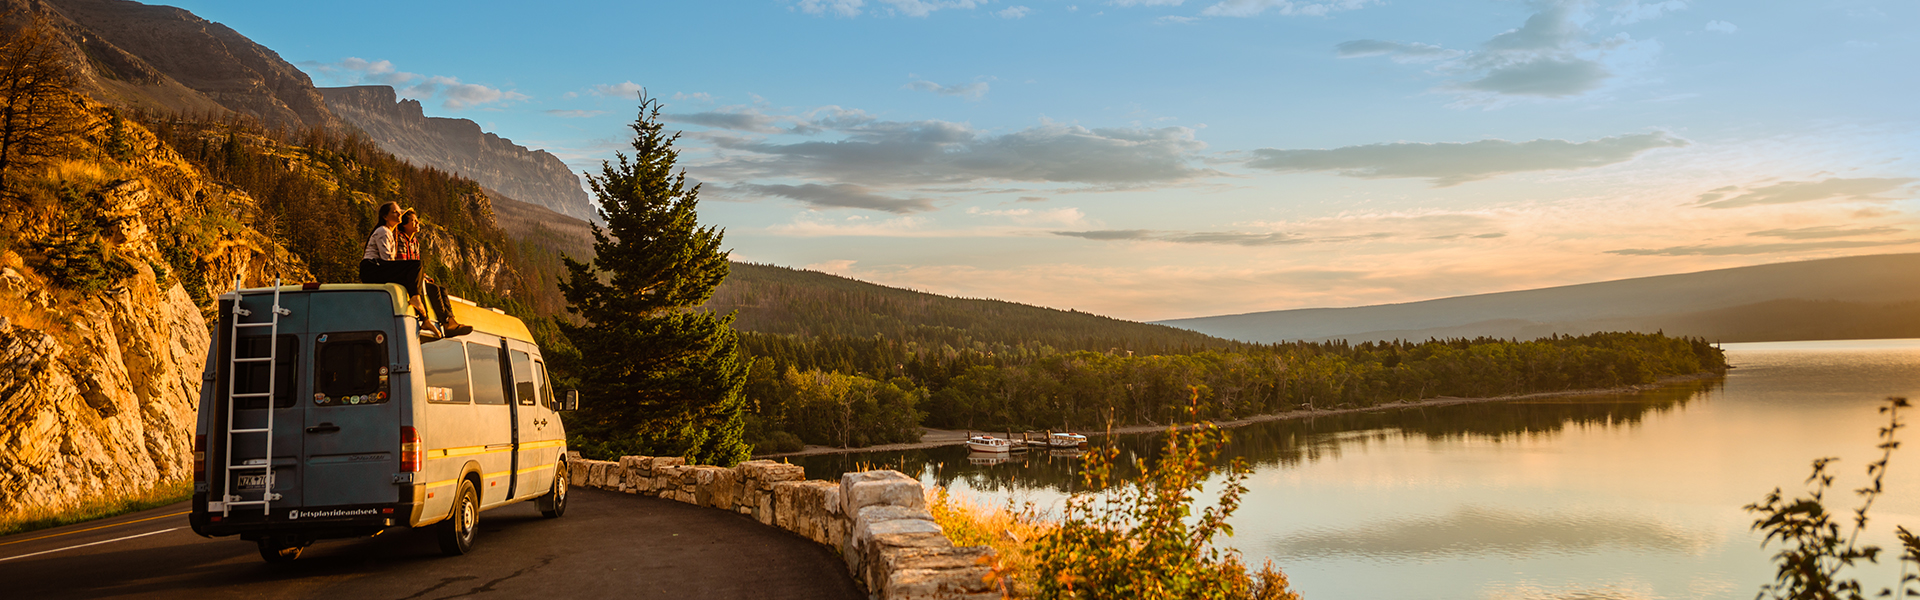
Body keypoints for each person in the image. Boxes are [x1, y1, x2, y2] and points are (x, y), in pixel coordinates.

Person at [359, 202, 443, 337]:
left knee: (415, 279)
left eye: (399, 212)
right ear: (385, 216)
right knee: (416, 265)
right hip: (372, 268)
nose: (399, 214)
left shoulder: (391, 233)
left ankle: (424, 318)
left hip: (380, 267)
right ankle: (417, 302)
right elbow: (386, 259)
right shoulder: (383, 231)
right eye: (395, 212)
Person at [397, 210, 471, 337]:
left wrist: (424, 276)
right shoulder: (401, 239)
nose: (417, 223)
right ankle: (446, 323)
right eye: (413, 221)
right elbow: (403, 264)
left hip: (413, 275)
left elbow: (415, 264)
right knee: (434, 289)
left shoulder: (414, 242)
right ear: (404, 225)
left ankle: (451, 320)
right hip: (406, 277)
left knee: (442, 289)